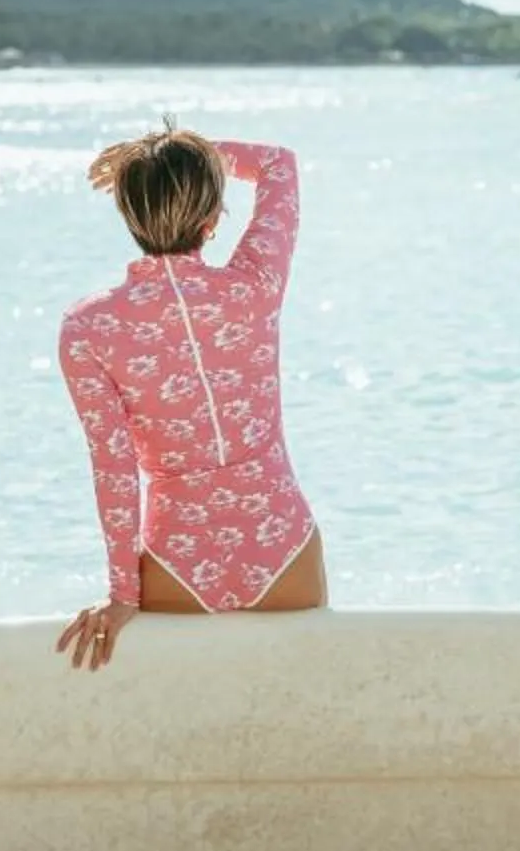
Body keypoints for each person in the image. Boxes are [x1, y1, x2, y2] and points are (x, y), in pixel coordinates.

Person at [55, 130, 324, 670]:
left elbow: (114, 468)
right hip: (282, 545)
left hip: (177, 558)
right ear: (212, 220)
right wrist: (178, 154)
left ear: (130, 218)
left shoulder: (88, 327)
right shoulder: (255, 286)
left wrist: (121, 596)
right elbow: (278, 164)